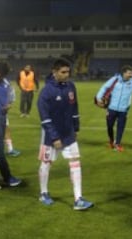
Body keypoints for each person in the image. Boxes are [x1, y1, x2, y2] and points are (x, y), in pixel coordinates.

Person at [37, 58, 93, 210]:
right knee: (47, 163)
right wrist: (54, 137)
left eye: (68, 71)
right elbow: (45, 117)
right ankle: (43, 193)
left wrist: (76, 128)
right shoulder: (46, 92)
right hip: (50, 136)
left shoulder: (71, 86)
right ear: (54, 72)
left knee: (75, 162)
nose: (66, 74)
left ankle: (78, 199)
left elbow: (74, 108)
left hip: (68, 134)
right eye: (63, 72)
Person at [0, 59, 22, 187]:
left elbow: (11, 99)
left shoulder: (7, 85)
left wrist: (9, 105)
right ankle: (7, 177)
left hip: (1, 119)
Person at [95, 65, 132, 152]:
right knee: (109, 126)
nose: (131, 75)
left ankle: (117, 144)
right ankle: (111, 140)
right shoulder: (115, 79)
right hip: (112, 108)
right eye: (129, 73)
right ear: (124, 73)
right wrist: (98, 97)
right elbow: (104, 87)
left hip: (123, 110)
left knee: (120, 127)